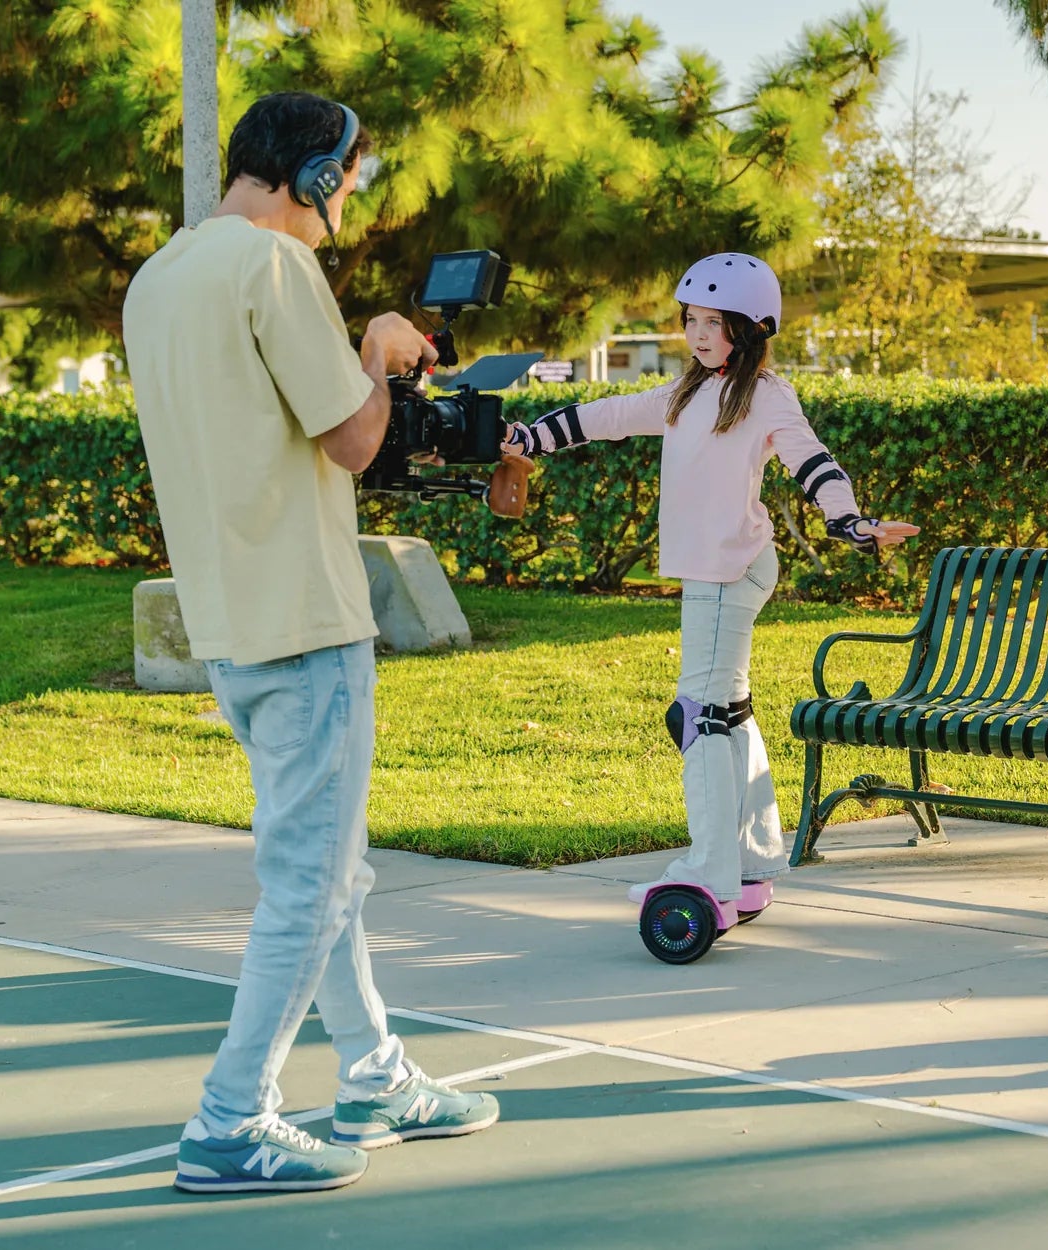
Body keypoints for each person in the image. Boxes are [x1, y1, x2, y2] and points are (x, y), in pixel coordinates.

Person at [124, 92, 500, 1196]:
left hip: (233, 624)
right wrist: (381, 347)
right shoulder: (277, 269)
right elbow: (353, 439)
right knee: (311, 885)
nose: (348, 202)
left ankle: (376, 1072)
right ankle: (229, 1118)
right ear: (316, 175)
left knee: (327, 873)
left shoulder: (161, 276)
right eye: (347, 178)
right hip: (306, 619)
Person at [504, 253, 918, 918]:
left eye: (715, 323)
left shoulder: (766, 396)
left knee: (697, 714)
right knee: (730, 711)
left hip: (728, 569)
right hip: (721, 567)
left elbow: (813, 460)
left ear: (751, 329)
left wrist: (850, 520)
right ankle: (751, 860)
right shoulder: (686, 395)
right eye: (691, 320)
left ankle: (710, 868)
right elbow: (608, 416)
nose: (698, 335)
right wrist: (532, 436)